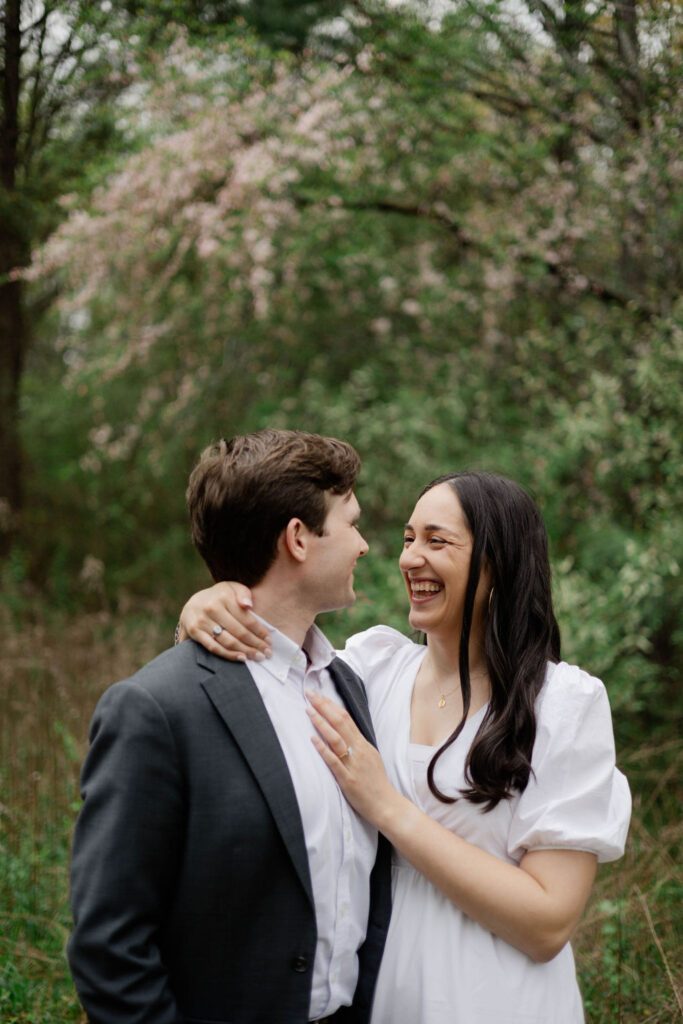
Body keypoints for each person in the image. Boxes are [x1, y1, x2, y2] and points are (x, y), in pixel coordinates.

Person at [178, 470, 631, 1024]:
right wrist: (208, 603)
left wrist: (387, 806)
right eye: (409, 539)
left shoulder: (562, 704)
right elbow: (267, 677)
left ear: (499, 563)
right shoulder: (370, 671)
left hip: (501, 1002)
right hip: (376, 999)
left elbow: (547, 923)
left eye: (437, 541)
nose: (410, 558)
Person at [67, 429, 392, 1024]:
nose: (365, 545)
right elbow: (108, 947)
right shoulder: (155, 710)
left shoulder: (349, 685)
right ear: (298, 538)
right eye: (351, 523)